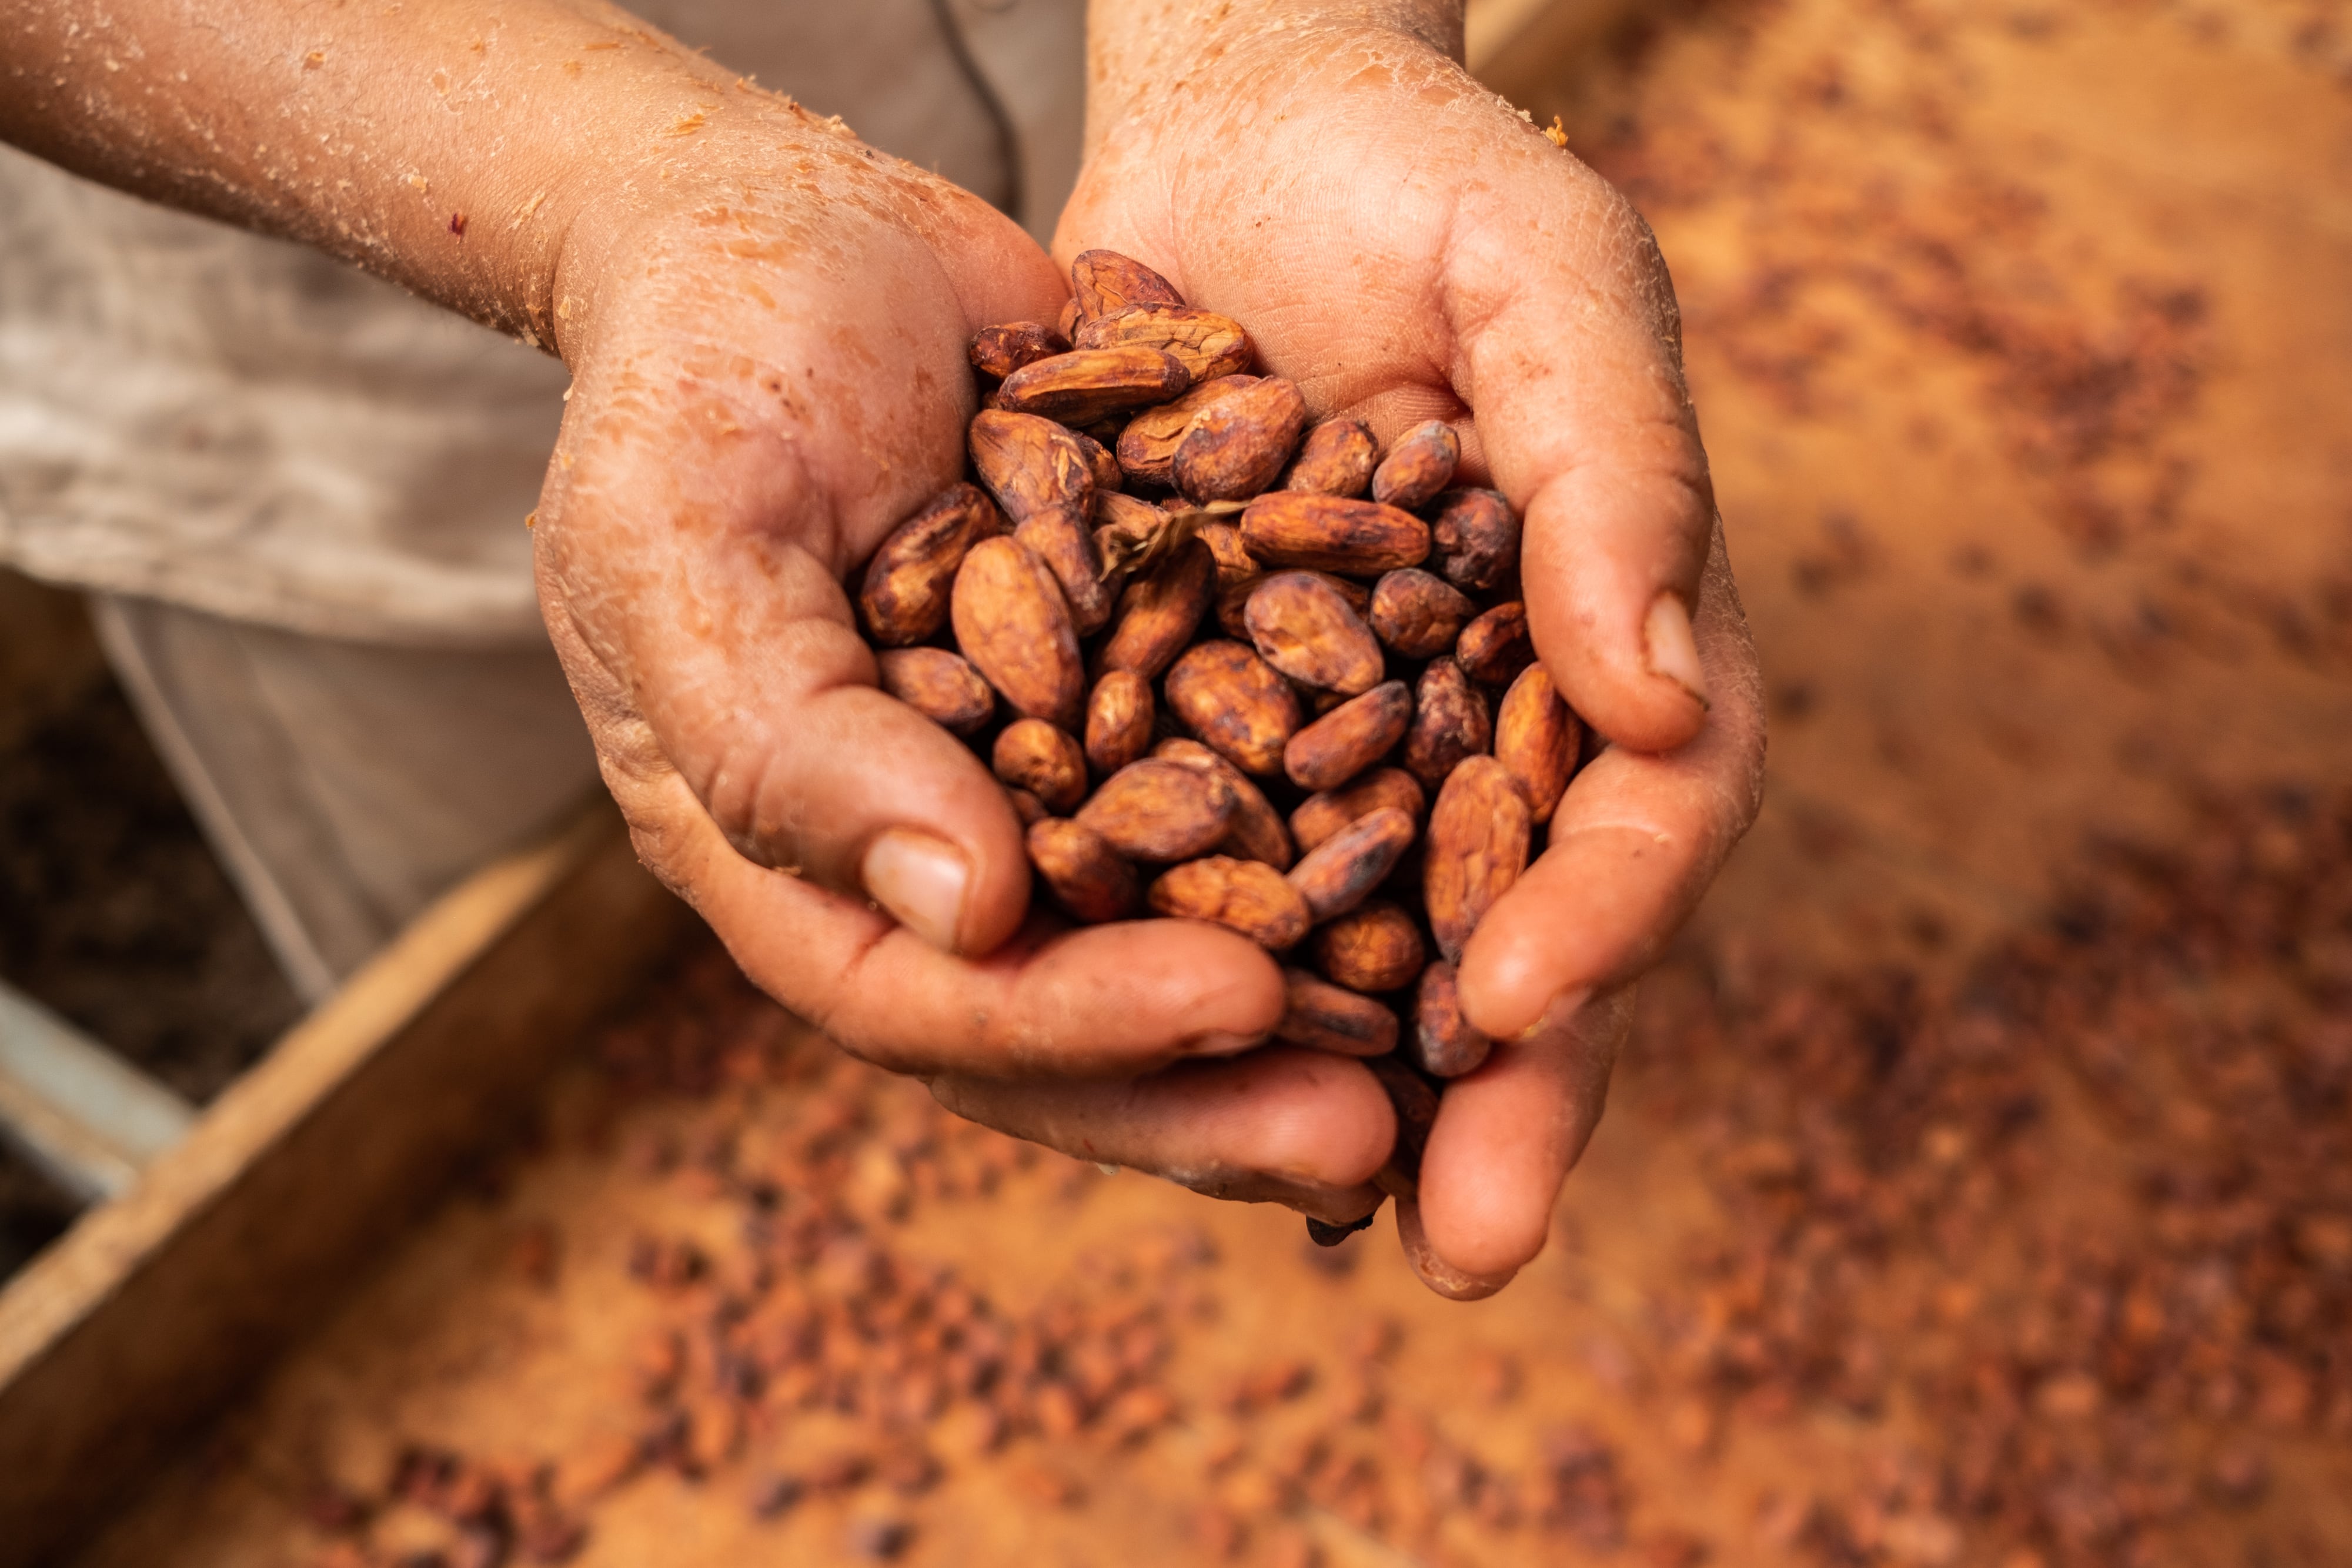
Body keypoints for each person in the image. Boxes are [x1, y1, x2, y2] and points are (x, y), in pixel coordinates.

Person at [0, 0, 1766, 1296]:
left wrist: (1277, 41)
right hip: (349, 394)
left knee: (957, 889)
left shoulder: (1184, 591)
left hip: (1060, 179)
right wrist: (620, 203)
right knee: (522, 1101)